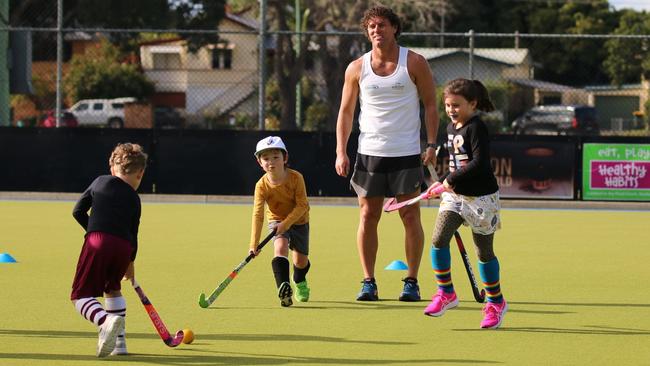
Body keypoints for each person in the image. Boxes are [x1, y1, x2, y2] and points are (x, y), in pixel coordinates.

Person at [334, 6, 439, 301]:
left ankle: (412, 282)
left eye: (381, 25)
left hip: (406, 153)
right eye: (371, 27)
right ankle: (368, 281)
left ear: (395, 28)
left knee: (409, 215)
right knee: (368, 215)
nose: (376, 31)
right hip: (369, 153)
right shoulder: (356, 67)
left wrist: (431, 145)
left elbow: (431, 104)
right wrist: (341, 151)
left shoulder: (415, 62)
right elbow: (345, 111)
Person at [422, 78, 507, 329]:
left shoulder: (477, 127)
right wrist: (444, 185)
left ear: (472, 103)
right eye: (447, 105)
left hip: (482, 198)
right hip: (456, 197)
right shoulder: (450, 128)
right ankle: (446, 292)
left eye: (456, 105)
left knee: (484, 252)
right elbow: (454, 165)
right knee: (438, 240)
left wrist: (449, 180)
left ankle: (495, 302)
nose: (451, 110)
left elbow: (479, 164)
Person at [70, 143, 147, 357]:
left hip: (98, 242)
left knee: (80, 296)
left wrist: (95, 230)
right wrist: (130, 263)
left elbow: (77, 211)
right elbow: (134, 234)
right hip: (124, 248)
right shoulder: (135, 198)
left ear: (112, 167)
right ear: (140, 173)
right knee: (112, 289)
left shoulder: (100, 181)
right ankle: (119, 346)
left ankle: (105, 320)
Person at [250, 136, 311, 307]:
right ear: (259, 162)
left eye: (276, 157)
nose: (271, 162)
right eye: (266, 158)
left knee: (300, 262)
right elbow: (258, 214)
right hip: (276, 220)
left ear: (285, 158)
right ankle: (284, 291)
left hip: (299, 220)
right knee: (280, 248)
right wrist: (253, 244)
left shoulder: (296, 178)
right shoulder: (261, 186)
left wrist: (285, 224)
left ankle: (299, 279)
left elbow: (302, 206)